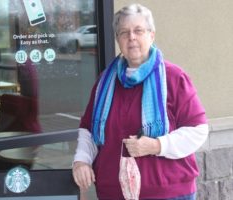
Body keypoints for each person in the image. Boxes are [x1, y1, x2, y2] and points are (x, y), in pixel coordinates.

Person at [72, 3, 209, 200]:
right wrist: (81, 161)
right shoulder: (105, 82)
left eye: (138, 30)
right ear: (118, 39)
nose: (131, 37)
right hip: (113, 192)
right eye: (124, 32)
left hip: (168, 193)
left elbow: (198, 130)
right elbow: (88, 130)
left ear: (151, 35)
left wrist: (156, 145)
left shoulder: (173, 77)